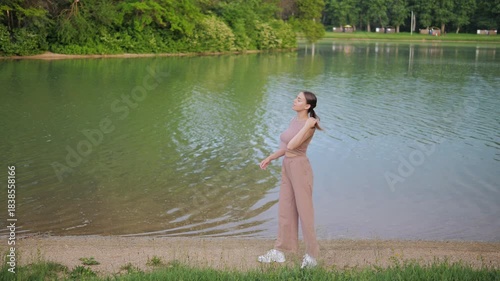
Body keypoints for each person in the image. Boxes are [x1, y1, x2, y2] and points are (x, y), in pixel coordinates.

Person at [258, 91, 322, 269]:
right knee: (285, 209)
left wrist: (308, 123)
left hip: (300, 168)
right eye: (296, 97)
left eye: (299, 99)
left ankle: (312, 256)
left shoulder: (310, 124)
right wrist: (271, 157)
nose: (295, 100)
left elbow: (294, 145)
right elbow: (286, 147)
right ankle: (281, 251)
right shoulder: (295, 121)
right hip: (287, 166)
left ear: (307, 106)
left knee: (305, 212)